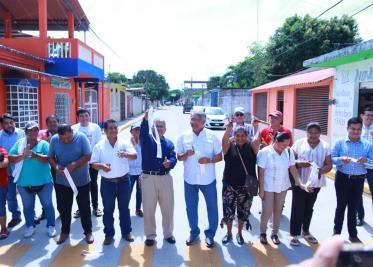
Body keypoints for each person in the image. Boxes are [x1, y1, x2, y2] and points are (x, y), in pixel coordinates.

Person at [177, 110, 222, 248]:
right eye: (191, 119)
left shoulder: (212, 136)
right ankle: (194, 232)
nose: (193, 122)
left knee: (212, 207)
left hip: (208, 180)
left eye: (196, 119)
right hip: (190, 179)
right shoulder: (183, 136)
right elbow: (179, 157)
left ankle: (210, 235)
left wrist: (209, 160)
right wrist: (185, 154)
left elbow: (220, 157)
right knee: (191, 208)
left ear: (203, 121)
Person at [257, 132, 311, 245]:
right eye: (283, 145)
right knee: (267, 210)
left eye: (287, 144)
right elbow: (261, 172)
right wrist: (261, 189)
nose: (285, 147)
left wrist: (300, 183)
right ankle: (262, 233)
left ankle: (274, 233)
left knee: (278, 210)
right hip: (268, 185)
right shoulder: (265, 152)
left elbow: (292, 168)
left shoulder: (288, 151)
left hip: (283, 185)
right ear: (276, 141)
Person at [91, 119, 137, 245]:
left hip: (123, 182)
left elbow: (135, 156)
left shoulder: (124, 143)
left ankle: (126, 232)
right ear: (105, 131)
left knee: (124, 209)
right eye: (110, 128)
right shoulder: (99, 146)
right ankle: (109, 234)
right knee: (108, 210)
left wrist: (126, 154)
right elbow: (93, 164)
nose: (113, 130)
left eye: (115, 128)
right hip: (107, 183)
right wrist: (101, 166)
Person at [8, 121, 56, 238]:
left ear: (38, 131)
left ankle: (51, 226)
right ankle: (30, 226)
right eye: (30, 130)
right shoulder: (20, 144)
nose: (33, 132)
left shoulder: (44, 144)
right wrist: (23, 155)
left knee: (48, 205)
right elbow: (11, 158)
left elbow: (50, 159)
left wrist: (36, 156)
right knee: (28, 207)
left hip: (44, 183)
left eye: (35, 130)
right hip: (24, 184)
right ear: (26, 132)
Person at [48, 124, 93, 244]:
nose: (66, 141)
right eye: (63, 139)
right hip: (62, 182)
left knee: (84, 207)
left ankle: (88, 232)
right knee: (64, 208)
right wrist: (56, 167)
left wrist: (74, 165)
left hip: (81, 181)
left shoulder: (81, 138)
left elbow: (88, 155)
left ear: (72, 132)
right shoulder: (54, 139)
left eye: (68, 138)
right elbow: (50, 157)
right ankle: (64, 232)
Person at [289, 122, 333, 246]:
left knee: (309, 207)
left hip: (315, 182)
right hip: (300, 181)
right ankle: (294, 234)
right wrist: (299, 163)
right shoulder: (299, 143)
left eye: (316, 133)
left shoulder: (325, 146)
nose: (313, 135)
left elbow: (329, 164)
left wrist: (321, 170)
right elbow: (290, 160)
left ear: (320, 133)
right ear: (306, 133)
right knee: (298, 207)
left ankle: (306, 231)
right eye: (310, 132)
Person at [331, 117, 373, 243]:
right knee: (340, 206)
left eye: (358, 129)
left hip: (358, 180)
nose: (355, 132)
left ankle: (352, 234)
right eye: (353, 129)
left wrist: (367, 161)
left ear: (361, 130)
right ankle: (336, 234)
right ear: (347, 128)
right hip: (342, 178)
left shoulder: (367, 145)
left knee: (353, 208)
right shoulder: (339, 142)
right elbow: (332, 158)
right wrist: (341, 159)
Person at [140, 112, 177, 246]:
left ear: (165, 129)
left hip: (165, 178)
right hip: (148, 178)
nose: (159, 128)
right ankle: (150, 235)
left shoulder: (169, 143)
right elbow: (142, 132)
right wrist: (145, 120)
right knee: (149, 208)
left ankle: (168, 234)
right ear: (152, 128)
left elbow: (173, 157)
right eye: (157, 126)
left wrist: (170, 163)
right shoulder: (146, 140)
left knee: (168, 208)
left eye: (162, 126)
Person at [221, 120, 260, 245]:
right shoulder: (229, 147)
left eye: (243, 136)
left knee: (243, 211)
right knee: (228, 211)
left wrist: (255, 127)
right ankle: (228, 233)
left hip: (246, 186)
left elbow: (257, 140)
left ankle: (239, 233)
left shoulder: (251, 147)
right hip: (229, 185)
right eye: (237, 136)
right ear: (234, 137)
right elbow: (224, 142)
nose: (240, 138)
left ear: (247, 136)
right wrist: (228, 129)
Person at [72, 108, 102, 218]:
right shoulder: (73, 128)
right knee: (79, 186)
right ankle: (81, 208)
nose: (84, 118)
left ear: (89, 116)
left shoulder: (95, 128)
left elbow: (99, 145)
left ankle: (95, 207)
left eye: (86, 115)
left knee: (93, 184)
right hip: (79, 163)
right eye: (81, 116)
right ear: (77, 118)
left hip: (92, 162)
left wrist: (99, 160)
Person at [0, 113, 24, 228]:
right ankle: (16, 216)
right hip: (8, 172)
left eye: (11, 122)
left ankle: (32, 216)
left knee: (27, 194)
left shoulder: (21, 133)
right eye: (6, 123)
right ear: (2, 125)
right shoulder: (0, 136)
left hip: (22, 170)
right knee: (11, 197)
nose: (9, 125)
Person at [36, 114, 60, 223]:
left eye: (54, 121)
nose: (52, 124)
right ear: (46, 124)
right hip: (44, 167)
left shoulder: (63, 132)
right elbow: (38, 146)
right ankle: (45, 212)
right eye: (50, 122)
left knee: (60, 190)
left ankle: (62, 211)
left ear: (58, 122)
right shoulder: (41, 134)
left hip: (58, 167)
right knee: (44, 191)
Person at [356, 107, 373, 226]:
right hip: (359, 166)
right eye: (368, 115)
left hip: (372, 166)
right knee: (357, 192)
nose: (370, 117)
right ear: (362, 116)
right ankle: (359, 216)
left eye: (372, 115)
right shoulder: (356, 128)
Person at [128, 122, 143, 217]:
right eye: (135, 129)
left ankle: (138, 209)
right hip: (130, 172)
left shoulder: (144, 142)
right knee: (127, 191)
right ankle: (124, 208)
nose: (137, 131)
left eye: (139, 129)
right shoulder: (127, 143)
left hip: (141, 171)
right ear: (131, 131)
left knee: (140, 191)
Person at [0, 146, 9, 239]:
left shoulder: (2, 150)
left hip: (1, 184)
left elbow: (4, 164)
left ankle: (3, 229)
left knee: (1, 207)